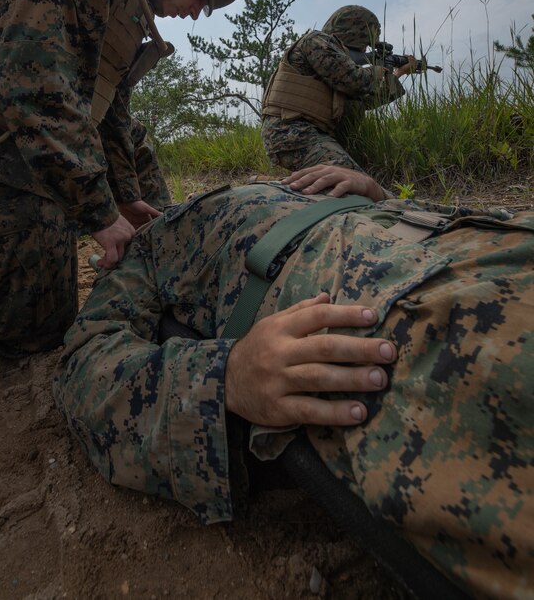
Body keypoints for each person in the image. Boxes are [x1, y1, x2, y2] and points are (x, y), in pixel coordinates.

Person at [53, 164, 534, 600]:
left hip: (478, 241)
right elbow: (84, 363)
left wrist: (375, 192)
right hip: (391, 309)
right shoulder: (146, 253)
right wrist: (226, 377)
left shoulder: (278, 180)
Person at [0, 0, 249, 357]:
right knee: (25, 331)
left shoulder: (126, 4)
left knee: (134, 148)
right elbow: (31, 80)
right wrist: (99, 213)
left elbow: (110, 112)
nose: (196, 12)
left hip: (18, 136)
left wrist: (123, 195)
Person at [261, 5, 418, 172]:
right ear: (353, 33)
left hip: (309, 133)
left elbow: (365, 100)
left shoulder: (333, 63)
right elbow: (353, 80)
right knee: (351, 181)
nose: (365, 50)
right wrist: (380, 71)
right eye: (364, 44)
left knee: (356, 177)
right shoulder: (315, 40)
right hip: (290, 131)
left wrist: (398, 73)